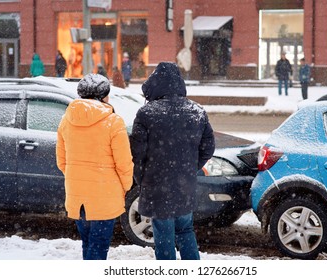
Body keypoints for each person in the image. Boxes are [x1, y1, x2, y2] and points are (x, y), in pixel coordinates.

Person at [130, 62, 215, 260]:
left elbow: (137, 152)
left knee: (164, 235)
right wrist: (190, 167)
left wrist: (142, 177)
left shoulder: (146, 113)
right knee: (186, 230)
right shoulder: (197, 111)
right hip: (184, 184)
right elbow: (208, 147)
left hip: (156, 185)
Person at [56, 73, 134, 260]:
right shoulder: (113, 121)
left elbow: (61, 161)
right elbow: (123, 163)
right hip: (105, 195)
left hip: (77, 196)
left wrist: (77, 177)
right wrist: (125, 186)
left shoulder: (66, 120)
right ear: (104, 96)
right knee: (99, 246)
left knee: (87, 243)